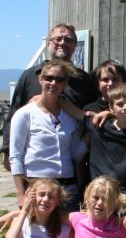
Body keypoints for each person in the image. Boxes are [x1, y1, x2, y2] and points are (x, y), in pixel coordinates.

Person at [2, 23, 98, 170]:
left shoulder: (86, 81)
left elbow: (94, 112)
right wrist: (8, 149)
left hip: (75, 163)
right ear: (48, 43)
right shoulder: (30, 76)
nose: (62, 43)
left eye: (68, 40)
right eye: (57, 39)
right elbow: (14, 112)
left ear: (74, 46)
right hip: (35, 162)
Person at [9, 59, 88, 209]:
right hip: (37, 188)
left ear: (64, 83)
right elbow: (16, 156)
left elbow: (76, 155)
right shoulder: (24, 114)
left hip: (67, 188)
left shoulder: (70, 116)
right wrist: (20, 194)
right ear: (40, 79)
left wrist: (90, 135)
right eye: (49, 78)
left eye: (59, 79)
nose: (53, 83)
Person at [83, 83, 126, 200]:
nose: (125, 107)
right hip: (101, 196)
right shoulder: (99, 125)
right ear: (111, 107)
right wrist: (60, 102)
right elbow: (77, 114)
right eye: (120, 104)